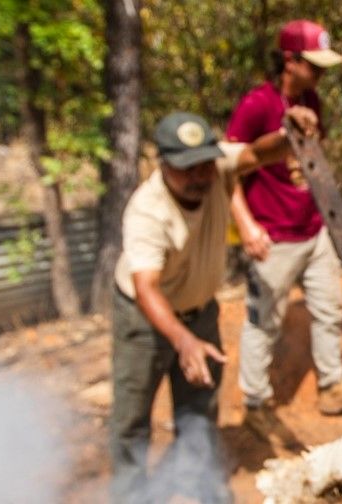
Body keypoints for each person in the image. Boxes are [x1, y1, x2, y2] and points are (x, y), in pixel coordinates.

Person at [108, 111, 305, 503]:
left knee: (198, 412)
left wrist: (291, 133)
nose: (200, 176)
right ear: (163, 164)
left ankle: (206, 490)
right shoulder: (147, 211)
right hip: (143, 319)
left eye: (204, 165)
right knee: (132, 419)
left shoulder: (219, 168)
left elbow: (260, 154)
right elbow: (145, 287)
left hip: (200, 312)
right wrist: (183, 341)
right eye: (187, 169)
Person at [226, 19, 342, 442]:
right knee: (263, 322)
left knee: (328, 309)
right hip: (272, 236)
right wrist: (245, 225)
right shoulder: (257, 104)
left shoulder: (313, 99)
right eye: (314, 65)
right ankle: (255, 404)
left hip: (313, 229)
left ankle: (332, 386)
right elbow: (227, 171)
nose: (321, 74)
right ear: (290, 61)